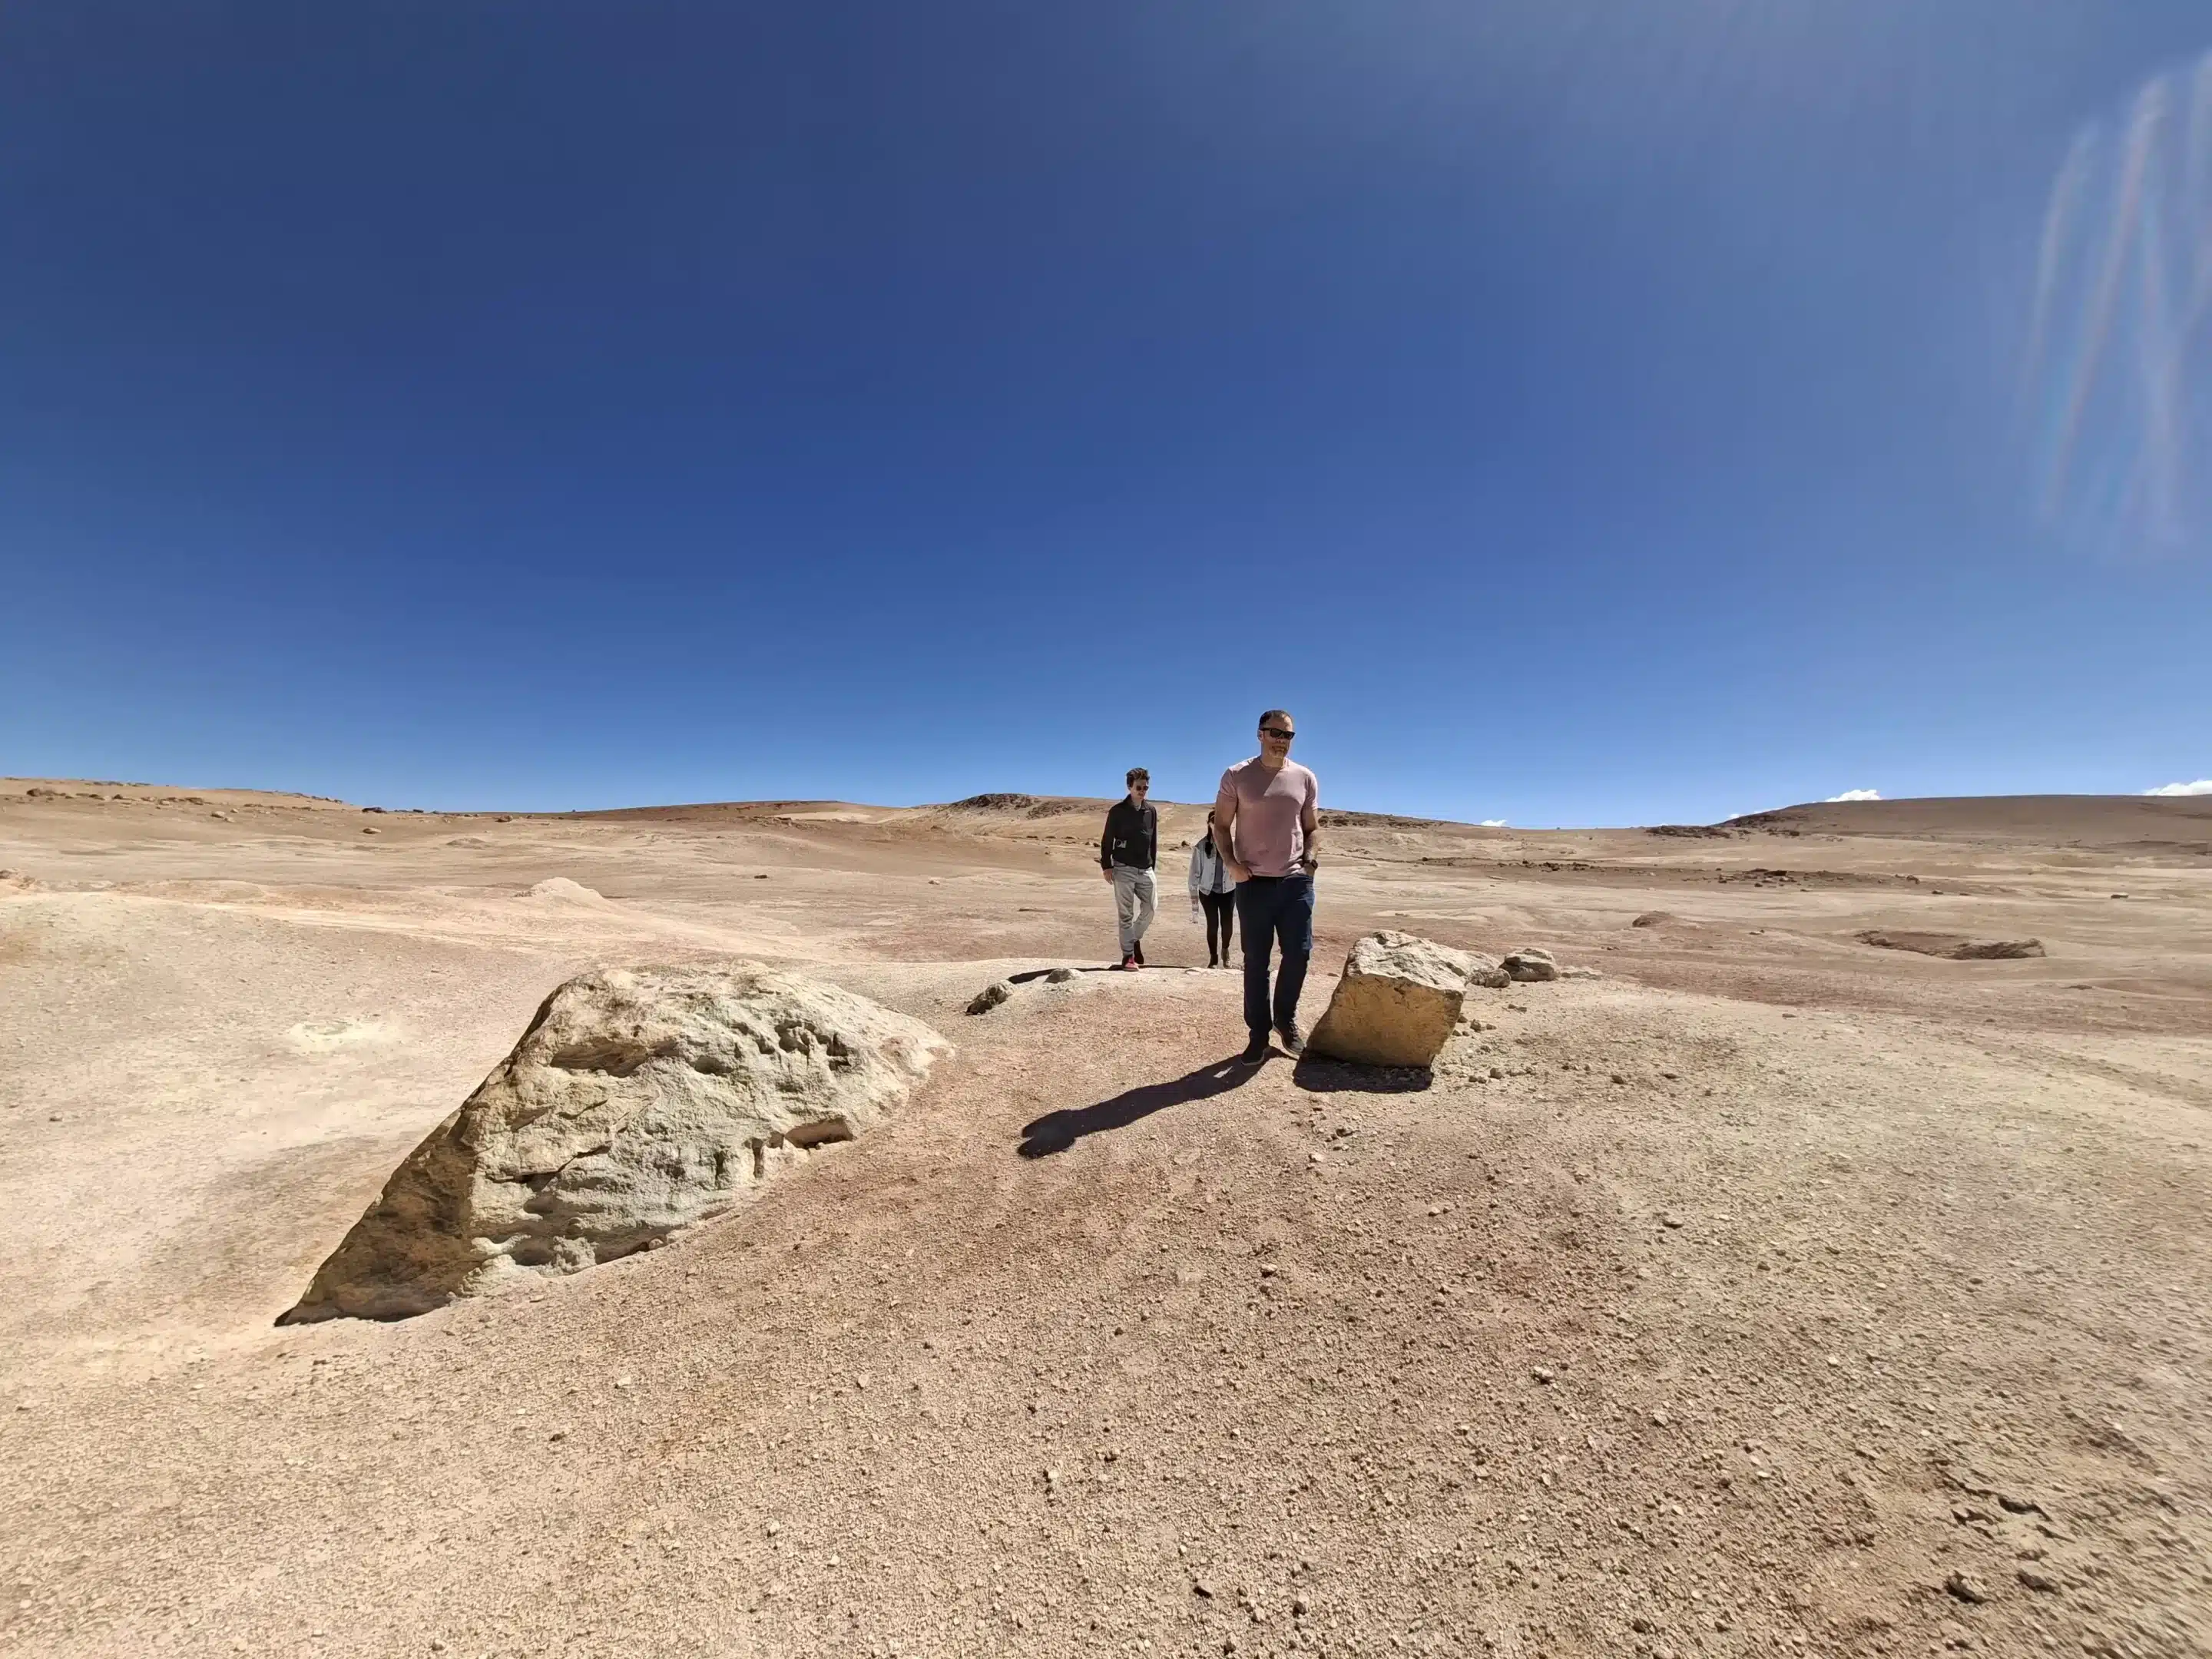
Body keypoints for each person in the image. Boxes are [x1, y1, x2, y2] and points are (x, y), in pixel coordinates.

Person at [1213, 710, 1320, 1063]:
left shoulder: (1304, 777)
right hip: (1254, 882)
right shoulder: (1237, 775)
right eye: (1275, 733)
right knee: (1256, 961)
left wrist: (1310, 862)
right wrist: (1232, 864)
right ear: (1260, 734)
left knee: (1299, 954)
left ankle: (1284, 1020)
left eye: (1288, 735)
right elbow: (1221, 825)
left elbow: (1311, 828)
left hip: (1295, 882)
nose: (1281, 741)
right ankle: (1258, 1034)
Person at [1099, 767, 1158, 970]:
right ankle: (1128, 957)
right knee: (1125, 914)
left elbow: (1153, 840)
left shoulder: (1151, 811)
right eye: (1139, 787)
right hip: (1123, 867)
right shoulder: (1118, 811)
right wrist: (1107, 865)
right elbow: (1107, 839)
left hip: (1145, 868)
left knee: (1151, 908)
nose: (1142, 791)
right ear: (1129, 787)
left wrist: (1153, 866)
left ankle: (1133, 939)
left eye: (1145, 787)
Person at [1187, 812, 1237, 969]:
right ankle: (1213, 958)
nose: (1218, 824)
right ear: (1209, 824)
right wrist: (1194, 907)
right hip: (1208, 892)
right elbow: (1194, 875)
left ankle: (1225, 951)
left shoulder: (1234, 845)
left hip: (1229, 890)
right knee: (1213, 924)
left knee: (1227, 924)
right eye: (1214, 821)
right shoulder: (1201, 846)